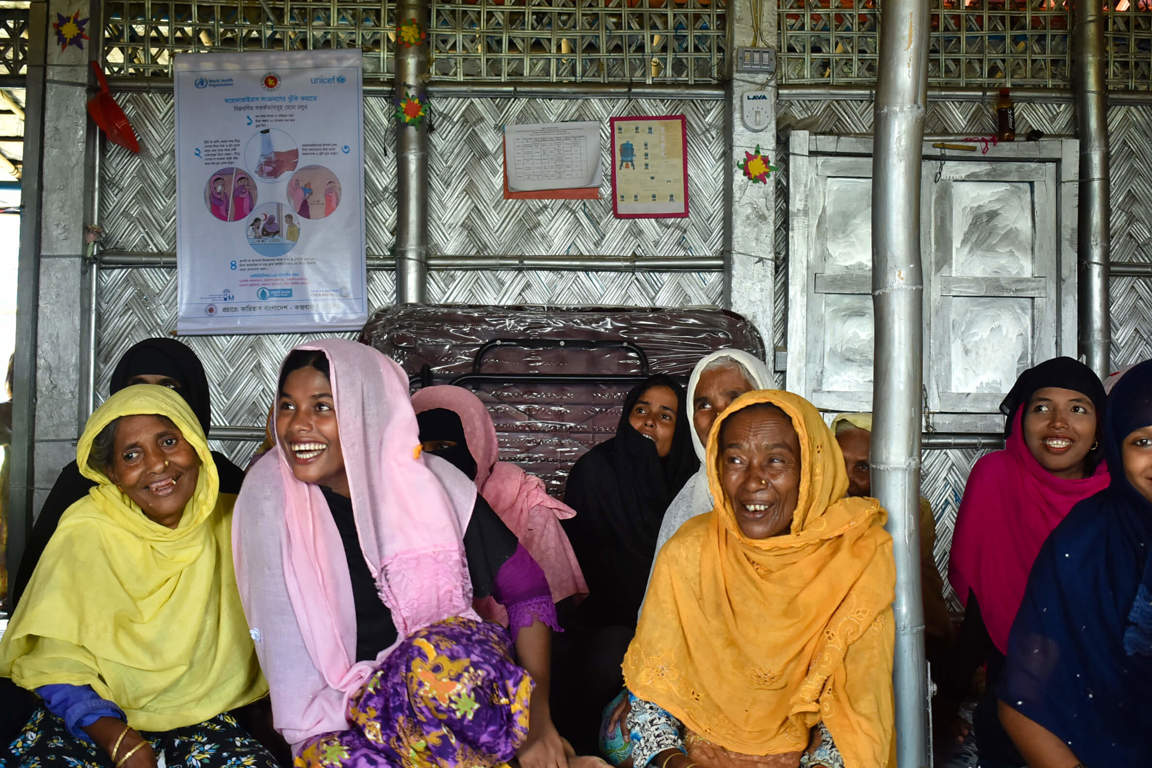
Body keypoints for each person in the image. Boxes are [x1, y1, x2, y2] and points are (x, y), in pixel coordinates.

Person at [233, 340, 576, 768]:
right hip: (340, 709)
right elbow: (279, 648)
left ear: (366, 410)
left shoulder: (431, 483)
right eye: (287, 406)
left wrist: (537, 723)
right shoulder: (267, 499)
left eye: (322, 407)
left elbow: (527, 589)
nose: (297, 426)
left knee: (438, 667)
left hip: (441, 688)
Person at [0, 385, 274, 768]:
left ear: (195, 445)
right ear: (112, 474)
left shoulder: (236, 522)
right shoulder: (86, 529)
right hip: (86, 717)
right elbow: (54, 660)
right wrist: (115, 735)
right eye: (132, 455)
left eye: (168, 441)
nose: (158, 464)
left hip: (204, 713)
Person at [622, 390, 896, 768]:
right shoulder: (690, 551)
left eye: (776, 461)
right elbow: (651, 700)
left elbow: (858, 707)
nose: (753, 481)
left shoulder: (856, 557)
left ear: (811, 468)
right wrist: (676, 762)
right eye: (735, 459)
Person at [944, 357, 1109, 767]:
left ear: (1099, 428)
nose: (1058, 423)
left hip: (1111, 695)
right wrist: (947, 702)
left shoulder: (1119, 491)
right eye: (1041, 408)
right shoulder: (995, 477)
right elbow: (983, 604)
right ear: (1020, 419)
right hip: (1016, 695)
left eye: (1077, 409)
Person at [11, 337, 245, 610]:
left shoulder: (226, 483)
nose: (153, 399)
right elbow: (36, 593)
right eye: (138, 387)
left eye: (170, 388)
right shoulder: (82, 485)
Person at [997, 358, 1152, 766]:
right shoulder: (1087, 541)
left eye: (1078, 408)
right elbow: (1023, 700)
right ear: (1117, 445)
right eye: (1143, 442)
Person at [555, 375, 698, 753]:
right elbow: (583, 575)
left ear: (679, 433)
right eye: (641, 411)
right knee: (609, 653)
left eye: (666, 416)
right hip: (603, 624)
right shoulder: (595, 472)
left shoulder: (692, 485)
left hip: (679, 628)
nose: (650, 421)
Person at [412, 384, 588, 625]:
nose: (435, 462)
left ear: (476, 443)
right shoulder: (398, 507)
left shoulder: (526, 505)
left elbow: (555, 606)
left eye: (444, 447)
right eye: (422, 450)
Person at [830, 413, 954, 673]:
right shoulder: (819, 514)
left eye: (862, 467)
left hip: (916, 645)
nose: (846, 478)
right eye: (838, 464)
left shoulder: (911, 511)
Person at [649, 350, 771, 584]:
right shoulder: (688, 503)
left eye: (734, 399)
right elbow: (662, 606)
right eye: (704, 404)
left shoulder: (802, 488)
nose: (718, 415)